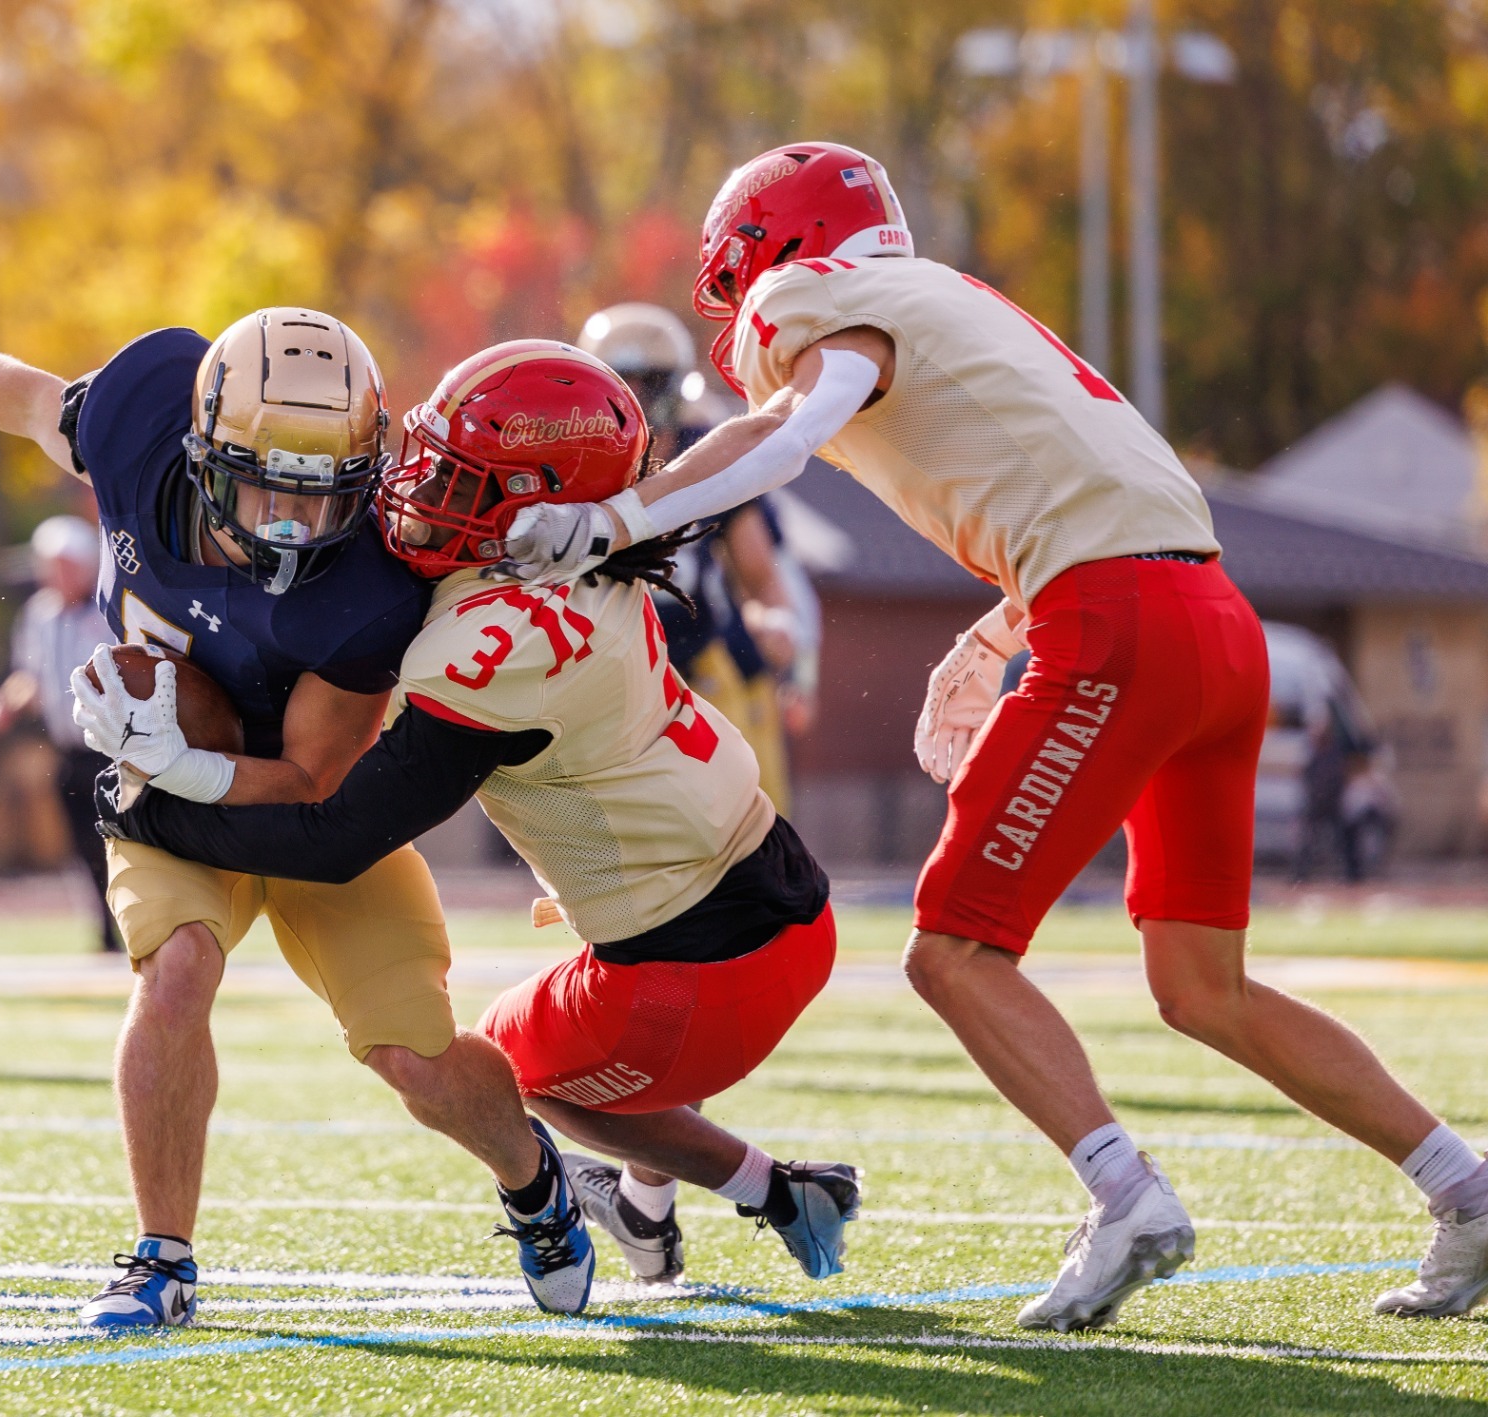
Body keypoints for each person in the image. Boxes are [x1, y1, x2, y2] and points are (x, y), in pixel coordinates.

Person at [499, 141, 1488, 1328]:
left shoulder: (819, 297)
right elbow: (1111, 495)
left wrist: (618, 517)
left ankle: (1123, 1195)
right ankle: (1466, 1189)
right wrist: (988, 635)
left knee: (952, 951)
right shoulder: (958, 301)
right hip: (1215, 622)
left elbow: (794, 427)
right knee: (1201, 986)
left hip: (1115, 621)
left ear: (775, 246)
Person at [0, 304, 595, 1324]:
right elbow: (34, 401)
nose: (291, 523)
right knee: (175, 969)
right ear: (202, 450)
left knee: (414, 1053)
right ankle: (160, 1259)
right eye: (266, 486)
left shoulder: (370, 584)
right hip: (167, 783)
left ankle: (533, 1179)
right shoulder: (137, 418)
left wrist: (182, 758)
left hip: (310, 816)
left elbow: (311, 776)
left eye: (321, 496)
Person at [94, 340, 859, 1290]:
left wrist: (160, 800)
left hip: (693, 961)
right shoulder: (597, 551)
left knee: (521, 1072)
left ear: (542, 509)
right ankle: (675, 1204)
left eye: (458, 479)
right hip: (769, 885)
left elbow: (336, 838)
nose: (419, 489)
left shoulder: (492, 644)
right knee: (544, 1053)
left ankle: (771, 1191)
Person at [578, 303, 804, 812]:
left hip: (701, 663)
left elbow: (762, 580)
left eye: (649, 384)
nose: (636, 402)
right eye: (622, 385)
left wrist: (776, 622)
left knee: (751, 818)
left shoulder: (705, 453)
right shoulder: (572, 467)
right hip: (604, 671)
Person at [0, 514, 121, 951]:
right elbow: (31, 678)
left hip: (117, 750)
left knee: (123, 842)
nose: (52, 575)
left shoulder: (110, 609)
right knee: (83, 844)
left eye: (62, 566)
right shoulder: (39, 614)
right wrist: (4, 704)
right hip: (70, 749)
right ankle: (104, 929)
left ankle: (136, 922)